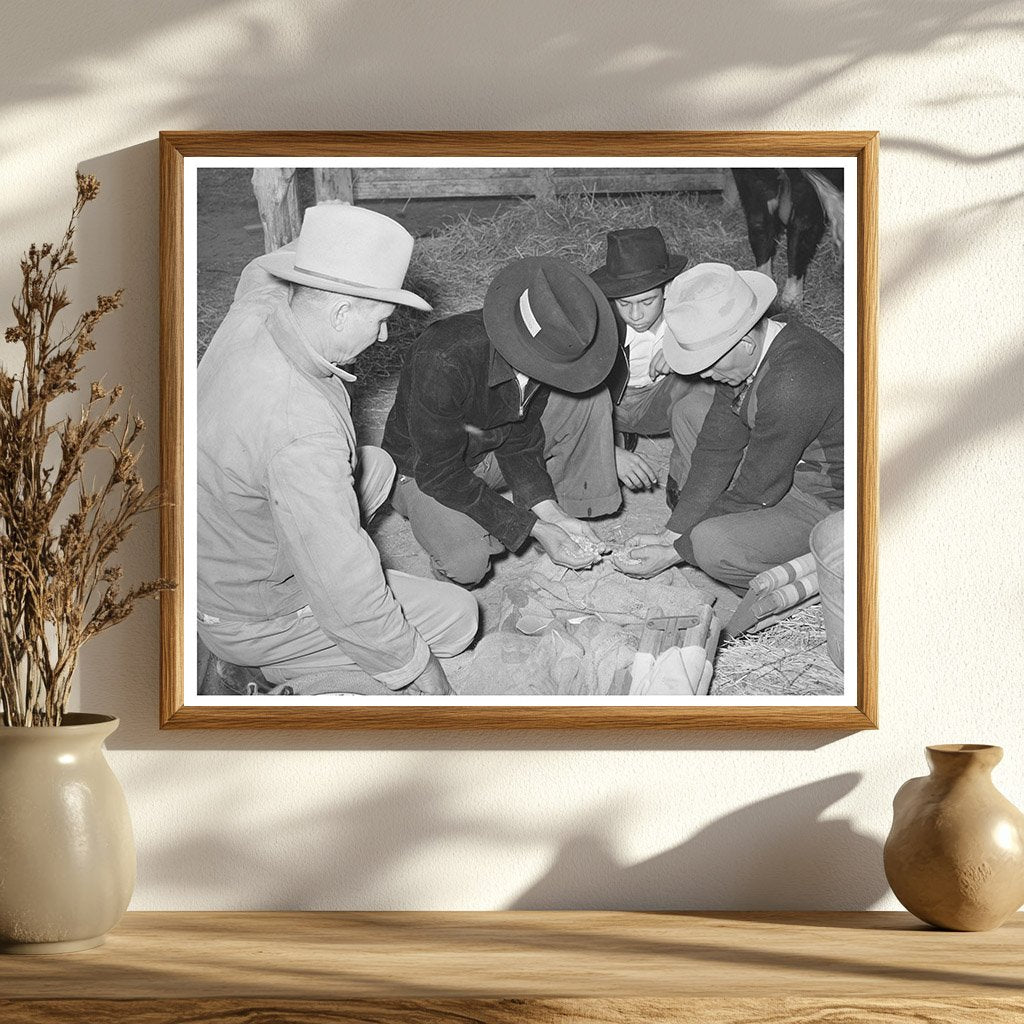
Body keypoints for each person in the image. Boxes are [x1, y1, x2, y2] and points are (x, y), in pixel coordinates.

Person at [197, 204, 479, 697]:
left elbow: (261, 265)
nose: (385, 335)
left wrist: (341, 236)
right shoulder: (301, 430)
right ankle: (271, 671)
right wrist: (416, 668)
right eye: (381, 320)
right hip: (248, 611)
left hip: (214, 537)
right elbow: (342, 580)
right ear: (341, 311)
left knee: (378, 467)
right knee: (458, 618)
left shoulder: (260, 303)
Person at [382, 256, 622, 588]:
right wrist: (529, 527)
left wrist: (552, 514)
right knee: (467, 562)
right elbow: (439, 472)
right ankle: (448, 593)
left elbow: (521, 440)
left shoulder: (544, 356)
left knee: (588, 398)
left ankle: (565, 520)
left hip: (484, 451)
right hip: (422, 470)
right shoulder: (443, 358)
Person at [613, 262, 843, 590]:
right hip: (789, 463)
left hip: (831, 499)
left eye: (708, 364)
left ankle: (824, 576)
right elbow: (717, 446)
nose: (703, 375)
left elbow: (757, 490)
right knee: (693, 410)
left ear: (745, 343)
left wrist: (676, 552)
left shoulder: (791, 384)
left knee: (712, 545)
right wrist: (672, 532)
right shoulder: (748, 348)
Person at [590, 226, 714, 494]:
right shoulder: (598, 320)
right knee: (596, 486)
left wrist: (683, 355)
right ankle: (617, 436)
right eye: (624, 304)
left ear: (667, 289)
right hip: (610, 406)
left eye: (646, 302)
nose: (635, 315)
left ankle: (684, 481)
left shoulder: (689, 311)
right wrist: (603, 444)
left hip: (657, 399)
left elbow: (721, 349)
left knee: (704, 387)